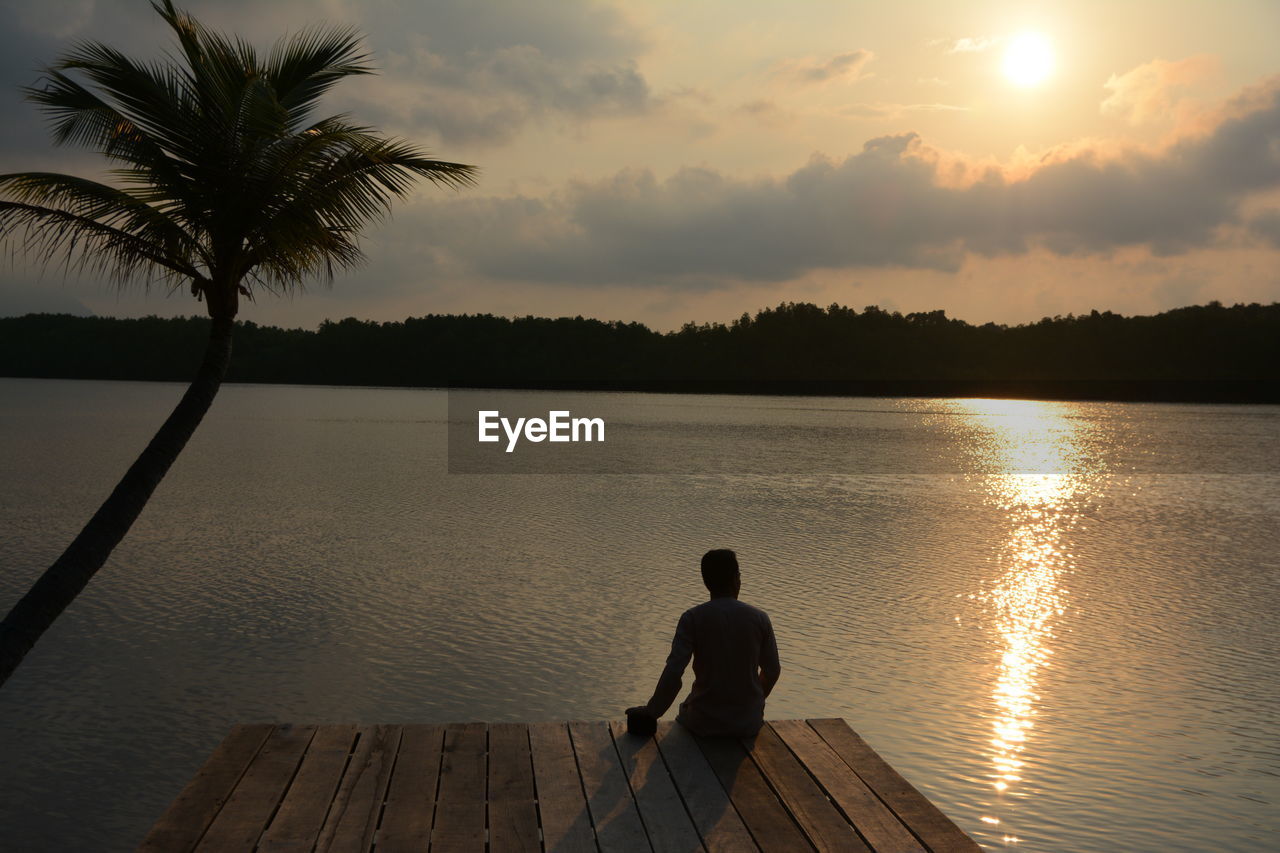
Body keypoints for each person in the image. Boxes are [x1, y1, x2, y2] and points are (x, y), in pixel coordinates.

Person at [627, 549, 780, 737]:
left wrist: (652, 711)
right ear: (734, 579)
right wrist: (750, 704)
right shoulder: (759, 618)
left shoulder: (692, 618)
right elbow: (772, 671)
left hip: (704, 722)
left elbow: (674, 671)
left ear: (706, 582)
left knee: (685, 709)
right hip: (748, 724)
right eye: (739, 575)